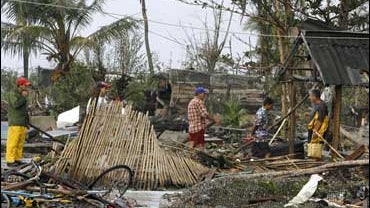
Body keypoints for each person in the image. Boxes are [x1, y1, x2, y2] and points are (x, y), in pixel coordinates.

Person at [6, 77, 31, 167]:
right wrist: (23, 97)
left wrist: (27, 122)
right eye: (25, 85)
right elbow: (16, 105)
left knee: (20, 142)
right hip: (15, 122)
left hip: (22, 122)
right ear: (20, 85)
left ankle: (17, 159)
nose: (26, 87)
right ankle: (10, 160)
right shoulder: (13, 93)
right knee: (13, 142)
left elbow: (24, 110)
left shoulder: (21, 94)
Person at [187, 87, 219, 151]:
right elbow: (205, 114)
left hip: (192, 127)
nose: (204, 96)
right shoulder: (199, 102)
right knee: (200, 145)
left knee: (192, 143)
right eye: (203, 94)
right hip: (198, 127)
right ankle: (200, 158)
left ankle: (188, 157)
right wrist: (214, 119)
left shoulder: (192, 101)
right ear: (199, 94)